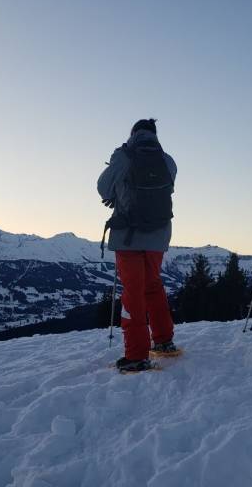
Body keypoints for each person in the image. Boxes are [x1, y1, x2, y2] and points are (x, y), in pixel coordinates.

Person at [97, 118, 178, 372]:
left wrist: (117, 190)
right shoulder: (167, 160)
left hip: (129, 234)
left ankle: (136, 355)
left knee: (132, 293)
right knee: (152, 285)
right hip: (159, 235)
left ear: (132, 134)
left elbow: (102, 188)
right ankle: (164, 341)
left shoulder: (123, 156)